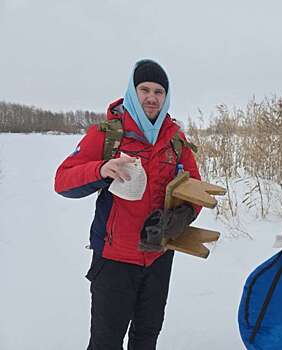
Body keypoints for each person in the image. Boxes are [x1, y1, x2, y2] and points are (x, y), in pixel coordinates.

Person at [55, 59, 201, 349]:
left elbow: (195, 190)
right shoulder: (108, 134)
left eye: (158, 91)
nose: (151, 97)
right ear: (133, 93)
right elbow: (63, 181)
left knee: (146, 338)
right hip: (114, 261)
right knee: (106, 342)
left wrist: (181, 217)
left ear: (166, 96)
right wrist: (101, 169)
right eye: (144, 89)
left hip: (158, 257)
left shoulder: (176, 140)